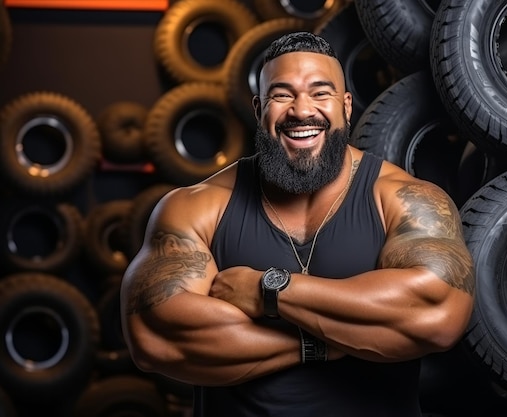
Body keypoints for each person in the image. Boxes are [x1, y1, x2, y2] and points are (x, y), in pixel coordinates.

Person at [120, 31, 475, 417]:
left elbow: (437, 315)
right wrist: (332, 340)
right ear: (259, 109)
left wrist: (269, 290)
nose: (302, 111)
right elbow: (156, 338)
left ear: (346, 106)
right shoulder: (197, 206)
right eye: (282, 94)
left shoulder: (404, 199)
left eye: (320, 93)